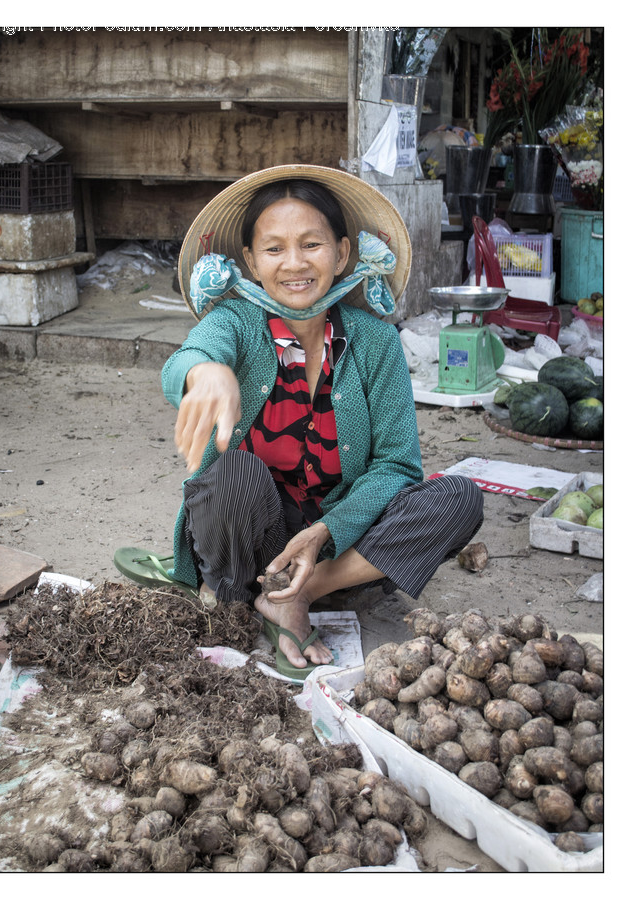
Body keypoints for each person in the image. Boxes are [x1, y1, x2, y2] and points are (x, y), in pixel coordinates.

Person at [125, 165, 484, 679]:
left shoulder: (374, 341)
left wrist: (325, 533)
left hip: (336, 547)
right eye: (273, 249)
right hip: (249, 534)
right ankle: (239, 588)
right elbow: (190, 356)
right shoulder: (236, 323)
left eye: (311, 245)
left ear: (341, 254)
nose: (293, 263)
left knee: (458, 498)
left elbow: (396, 465)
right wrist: (206, 373)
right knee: (232, 473)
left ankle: (294, 595)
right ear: (250, 261)